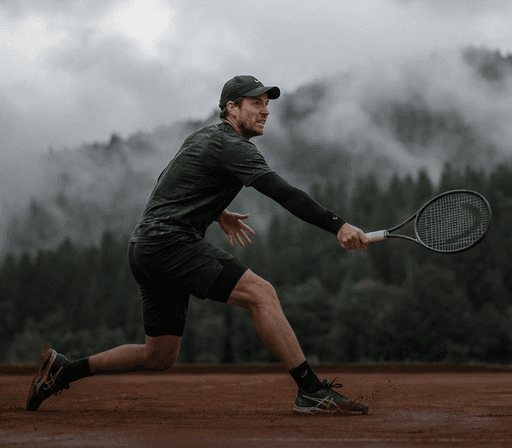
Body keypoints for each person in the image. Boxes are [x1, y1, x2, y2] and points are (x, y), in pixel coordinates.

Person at [26, 75, 369, 415]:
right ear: (231, 108)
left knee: (159, 355)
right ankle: (311, 391)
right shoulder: (234, 146)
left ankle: (63, 371)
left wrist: (217, 213)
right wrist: (337, 226)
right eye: (255, 104)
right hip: (170, 243)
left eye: (267, 106)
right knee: (261, 294)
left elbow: (170, 181)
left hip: (146, 246)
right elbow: (282, 192)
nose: (265, 112)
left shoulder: (203, 137)